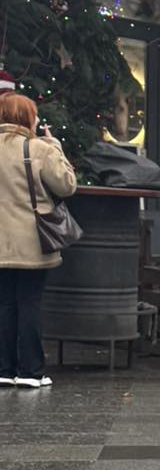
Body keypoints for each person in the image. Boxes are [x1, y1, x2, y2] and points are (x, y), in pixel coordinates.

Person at [0, 91, 78, 389]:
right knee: (29, 302)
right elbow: (67, 186)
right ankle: (31, 371)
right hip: (32, 241)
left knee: (5, 303)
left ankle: (4, 369)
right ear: (26, 117)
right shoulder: (37, 149)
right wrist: (55, 147)